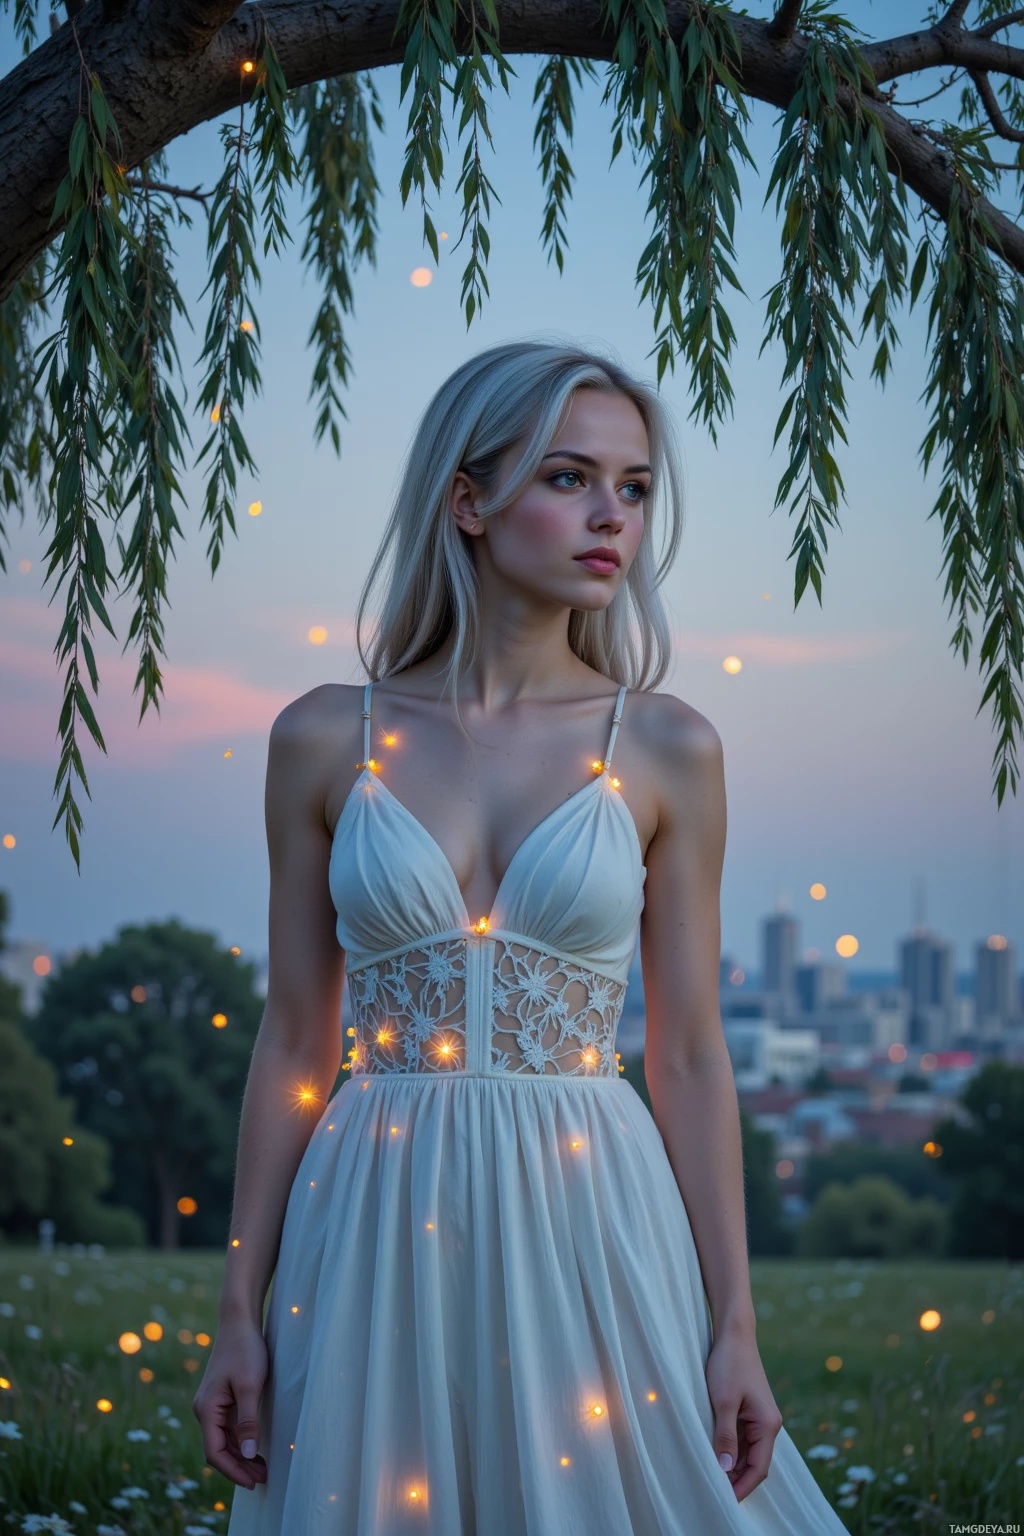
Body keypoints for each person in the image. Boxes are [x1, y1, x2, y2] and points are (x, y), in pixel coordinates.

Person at [195, 340, 848, 1534]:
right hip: (374, 1203)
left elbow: (693, 1057)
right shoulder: (321, 736)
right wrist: (239, 1306)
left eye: (635, 487)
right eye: (569, 478)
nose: (613, 516)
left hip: (591, 1208)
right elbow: (295, 1039)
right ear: (468, 501)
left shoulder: (668, 747)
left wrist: (733, 1325)